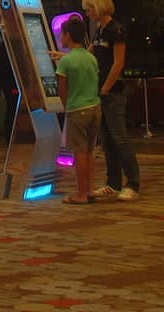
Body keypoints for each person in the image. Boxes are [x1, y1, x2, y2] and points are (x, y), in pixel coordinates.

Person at [83, 0, 140, 201]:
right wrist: (63, 56)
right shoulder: (99, 32)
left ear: (98, 8)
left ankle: (133, 183)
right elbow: (87, 54)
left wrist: (106, 87)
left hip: (113, 94)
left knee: (120, 138)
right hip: (101, 93)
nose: (87, 13)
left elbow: (118, 63)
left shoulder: (116, 31)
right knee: (106, 140)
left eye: (89, 9)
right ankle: (113, 182)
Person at [53, 14, 100, 205]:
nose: (61, 39)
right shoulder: (91, 58)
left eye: (62, 35)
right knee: (89, 151)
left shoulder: (65, 62)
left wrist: (67, 108)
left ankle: (80, 194)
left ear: (68, 36)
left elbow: (63, 90)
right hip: (95, 107)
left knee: (79, 153)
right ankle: (89, 190)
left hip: (77, 109)